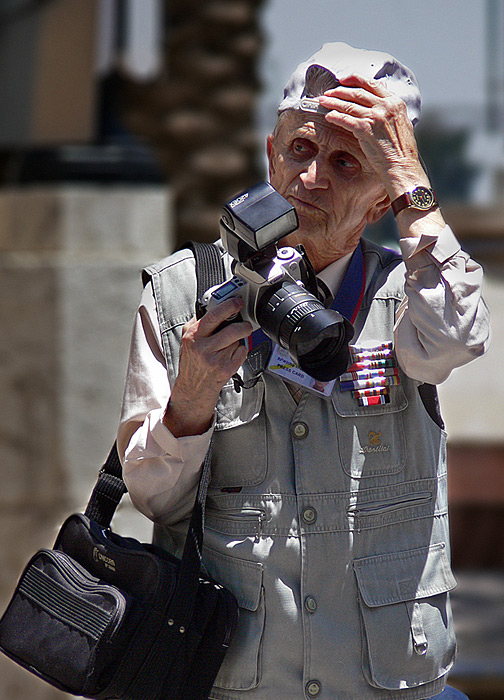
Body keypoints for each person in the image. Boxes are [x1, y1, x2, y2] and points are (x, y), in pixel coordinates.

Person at [118, 43, 489, 700]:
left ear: (382, 202)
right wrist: (192, 398)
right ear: (270, 153)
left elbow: (457, 337)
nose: (312, 178)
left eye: (347, 163)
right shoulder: (184, 293)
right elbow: (155, 499)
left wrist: (408, 172)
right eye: (299, 151)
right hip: (234, 685)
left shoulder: (412, 294)